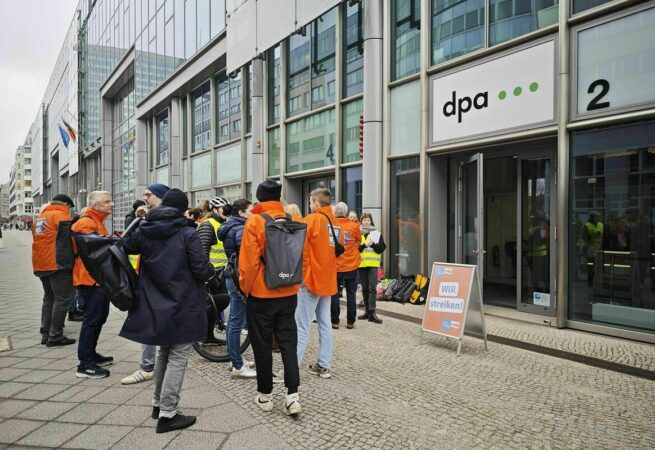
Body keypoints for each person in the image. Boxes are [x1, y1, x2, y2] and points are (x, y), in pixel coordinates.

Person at [121, 189, 215, 433]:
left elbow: (125, 245)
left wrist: (137, 219)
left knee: (164, 351)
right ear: (183, 209)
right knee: (178, 356)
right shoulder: (187, 232)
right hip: (183, 301)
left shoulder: (145, 228)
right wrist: (211, 271)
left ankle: (158, 404)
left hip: (154, 300)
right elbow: (200, 269)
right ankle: (168, 413)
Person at [239, 180, 303, 415]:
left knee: (262, 345)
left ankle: (265, 396)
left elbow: (248, 262)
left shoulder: (256, 221)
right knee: (288, 342)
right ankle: (293, 396)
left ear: (259, 197)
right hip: (289, 291)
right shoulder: (293, 220)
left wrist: (245, 288)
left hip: (261, 293)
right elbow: (301, 256)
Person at [121, 183, 170, 385]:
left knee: (151, 320)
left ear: (161, 197)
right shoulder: (150, 220)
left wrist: (140, 221)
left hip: (158, 279)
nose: (145, 198)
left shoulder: (158, 222)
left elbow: (129, 244)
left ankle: (149, 366)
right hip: (154, 278)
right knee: (152, 320)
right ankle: (151, 365)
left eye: (149, 195)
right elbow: (129, 245)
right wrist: (137, 219)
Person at [296, 188, 338, 379]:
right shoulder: (335, 221)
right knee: (324, 323)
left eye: (311, 202)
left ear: (316, 203)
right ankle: (324, 365)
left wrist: (303, 275)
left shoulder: (312, 219)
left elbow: (302, 249)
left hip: (312, 279)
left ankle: (291, 369)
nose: (310, 205)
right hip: (328, 279)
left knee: (302, 326)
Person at [73, 191, 115, 378]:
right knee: (92, 320)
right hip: (89, 280)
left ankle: (91, 355)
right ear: (95, 205)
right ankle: (85, 365)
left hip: (96, 279)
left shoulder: (96, 221)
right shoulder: (86, 223)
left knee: (99, 318)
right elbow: (95, 249)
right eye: (107, 202)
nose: (111, 204)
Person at [217, 198, 256, 378]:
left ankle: (235, 359)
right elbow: (247, 254)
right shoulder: (241, 228)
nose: (253, 213)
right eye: (251, 210)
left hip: (232, 275)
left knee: (234, 320)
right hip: (238, 277)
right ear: (241, 213)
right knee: (236, 321)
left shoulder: (230, 226)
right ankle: (237, 365)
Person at [32, 194, 77, 346]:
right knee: (63, 299)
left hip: (41, 262)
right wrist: (69, 264)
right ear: (65, 204)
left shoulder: (41, 217)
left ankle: (46, 333)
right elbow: (67, 243)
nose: (69, 210)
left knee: (49, 297)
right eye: (69, 207)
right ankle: (55, 336)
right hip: (58, 264)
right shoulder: (61, 216)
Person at [196, 196, 232, 344]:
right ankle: (202, 333)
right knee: (217, 302)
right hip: (211, 274)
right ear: (215, 210)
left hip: (221, 273)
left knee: (219, 303)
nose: (226, 211)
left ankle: (207, 335)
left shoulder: (222, 224)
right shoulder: (208, 225)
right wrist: (206, 274)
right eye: (224, 208)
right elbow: (202, 251)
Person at [330, 202, 361, 329]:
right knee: (351, 294)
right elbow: (359, 240)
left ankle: (335, 321)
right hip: (351, 264)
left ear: (335, 212)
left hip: (336, 265)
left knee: (334, 293)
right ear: (346, 213)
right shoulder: (354, 226)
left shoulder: (331, 226)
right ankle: (350, 322)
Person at [358, 213, 385, 324]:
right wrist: (364, 245)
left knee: (372, 288)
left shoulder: (375, 233)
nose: (366, 222)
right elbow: (355, 249)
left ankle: (372, 313)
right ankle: (366, 312)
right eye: (364, 220)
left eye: (368, 220)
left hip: (373, 264)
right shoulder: (358, 232)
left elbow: (382, 248)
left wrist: (373, 244)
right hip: (362, 264)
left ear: (371, 221)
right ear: (361, 221)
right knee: (364, 288)